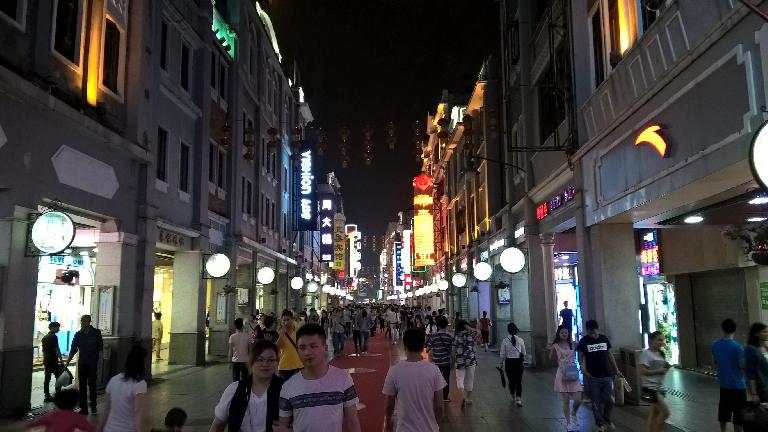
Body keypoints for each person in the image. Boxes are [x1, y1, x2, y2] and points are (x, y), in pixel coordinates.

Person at [277, 324, 361, 432]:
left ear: (325, 347)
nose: (307, 352)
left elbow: (352, 421)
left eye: (313, 346)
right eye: (302, 348)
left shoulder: (343, 379)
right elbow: (283, 425)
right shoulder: (288, 386)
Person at [210, 340, 285, 432]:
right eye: (260, 359)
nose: (265, 364)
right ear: (251, 361)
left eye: (270, 360)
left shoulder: (285, 390)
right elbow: (217, 426)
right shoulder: (234, 389)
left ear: (277, 362)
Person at [383, 329, 445, 432]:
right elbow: (439, 406)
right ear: (422, 346)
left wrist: (387, 425)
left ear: (404, 345)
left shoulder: (394, 371)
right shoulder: (434, 370)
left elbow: (389, 405)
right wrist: (436, 426)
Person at [577, 320, 623, 432]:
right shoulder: (584, 341)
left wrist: (616, 370)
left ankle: (607, 418)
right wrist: (583, 367)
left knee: (610, 399)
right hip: (592, 376)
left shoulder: (603, 339)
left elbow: (610, 354)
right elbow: (581, 357)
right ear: (587, 331)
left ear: (598, 329)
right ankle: (600, 423)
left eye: (595, 332)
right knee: (595, 402)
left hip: (607, 374)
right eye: (590, 333)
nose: (593, 335)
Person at [99, 345, 148, 432]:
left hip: (109, 429)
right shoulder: (140, 384)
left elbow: (107, 409)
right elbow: (138, 413)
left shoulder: (114, 380)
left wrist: (100, 429)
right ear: (142, 364)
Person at [712, 318, 746, 432]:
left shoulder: (715, 345)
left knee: (724, 413)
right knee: (738, 417)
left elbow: (715, 362)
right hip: (738, 386)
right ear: (735, 330)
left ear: (723, 329)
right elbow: (742, 365)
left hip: (724, 385)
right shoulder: (738, 347)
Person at [66, 315, 103, 415]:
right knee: (82, 386)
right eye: (82, 321)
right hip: (82, 363)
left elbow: (100, 348)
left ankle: (94, 407)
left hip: (93, 363)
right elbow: (73, 349)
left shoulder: (96, 333)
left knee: (92, 385)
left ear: (89, 322)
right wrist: (67, 362)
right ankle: (84, 409)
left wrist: (99, 363)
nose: (83, 323)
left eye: (85, 321)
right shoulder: (78, 334)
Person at [549, 325, 582, 431]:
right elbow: (551, 357)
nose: (564, 334)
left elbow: (582, 353)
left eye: (566, 333)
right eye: (562, 332)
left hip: (573, 373)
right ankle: (568, 423)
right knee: (566, 400)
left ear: (568, 334)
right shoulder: (556, 346)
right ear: (559, 333)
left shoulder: (573, 344)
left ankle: (574, 413)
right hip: (562, 374)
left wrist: (581, 364)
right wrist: (560, 363)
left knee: (578, 399)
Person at [640, 331, 671, 432]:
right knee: (665, 412)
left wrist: (666, 368)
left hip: (658, 388)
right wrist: (659, 370)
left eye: (662, 340)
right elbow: (643, 371)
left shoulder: (661, 354)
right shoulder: (646, 354)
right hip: (649, 389)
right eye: (659, 340)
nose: (661, 342)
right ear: (651, 341)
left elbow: (662, 372)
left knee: (654, 414)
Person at [27, 388, 94, 432]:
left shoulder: (51, 415)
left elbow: (35, 423)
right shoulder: (76, 417)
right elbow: (90, 428)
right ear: (74, 404)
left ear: (56, 403)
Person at [425, 316, 453, 402]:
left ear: (437, 325)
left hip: (436, 362)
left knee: (436, 379)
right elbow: (452, 351)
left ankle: (435, 395)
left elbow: (427, 350)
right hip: (446, 362)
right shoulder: (449, 337)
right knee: (446, 378)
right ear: (446, 325)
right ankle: (445, 397)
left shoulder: (434, 337)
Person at [500, 322, 527, 407]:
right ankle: (519, 399)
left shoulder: (504, 340)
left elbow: (502, 354)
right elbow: (524, 352)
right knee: (518, 381)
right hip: (518, 362)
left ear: (508, 330)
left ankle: (512, 394)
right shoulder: (520, 340)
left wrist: (501, 363)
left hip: (509, 362)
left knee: (511, 380)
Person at [453, 320, 478, 406]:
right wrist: (470, 328)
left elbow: (454, 350)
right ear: (466, 326)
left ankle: (463, 397)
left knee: (460, 379)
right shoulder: (471, 335)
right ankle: (468, 398)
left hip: (460, 360)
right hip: (471, 360)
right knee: (470, 379)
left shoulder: (456, 336)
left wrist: (452, 360)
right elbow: (478, 332)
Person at [745, 322, 768, 403]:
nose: (767, 334)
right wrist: (754, 394)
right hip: (762, 388)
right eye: (764, 332)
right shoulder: (751, 349)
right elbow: (751, 373)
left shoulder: (765, 347)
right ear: (756, 334)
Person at [276, 311, 303, 380]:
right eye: (284, 320)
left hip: (298, 365)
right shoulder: (279, 333)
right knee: (285, 389)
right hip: (284, 366)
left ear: (292, 320)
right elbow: (277, 348)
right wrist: (282, 332)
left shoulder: (298, 331)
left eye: (288, 320)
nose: (286, 322)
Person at [42, 321, 64, 402]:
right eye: (58, 327)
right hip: (53, 360)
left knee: (47, 378)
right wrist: (61, 360)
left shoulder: (44, 337)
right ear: (53, 327)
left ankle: (47, 395)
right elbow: (56, 349)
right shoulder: (54, 337)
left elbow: (44, 351)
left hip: (46, 360)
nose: (59, 329)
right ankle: (58, 394)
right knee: (58, 377)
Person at [230, 318, 251, 382]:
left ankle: (236, 390)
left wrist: (229, 362)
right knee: (245, 378)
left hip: (235, 361)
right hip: (245, 360)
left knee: (235, 379)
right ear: (242, 325)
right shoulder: (247, 336)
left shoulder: (232, 336)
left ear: (235, 326)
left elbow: (230, 350)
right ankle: (245, 390)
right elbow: (250, 349)